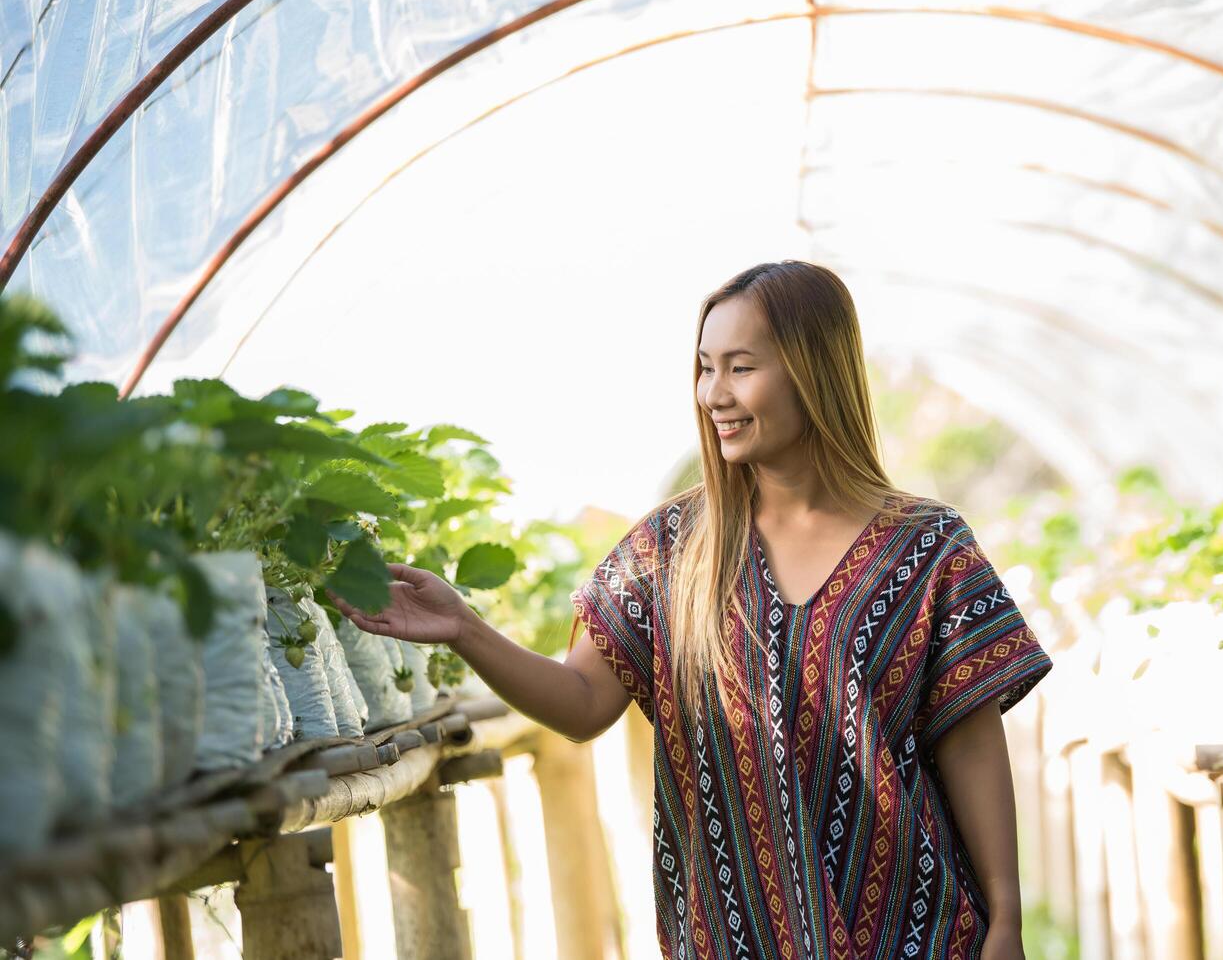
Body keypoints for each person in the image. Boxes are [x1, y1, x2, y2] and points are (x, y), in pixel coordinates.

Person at [330, 260, 1053, 960]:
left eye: (740, 367)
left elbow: (969, 741)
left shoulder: (926, 547)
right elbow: (582, 704)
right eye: (704, 368)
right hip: (729, 937)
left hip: (917, 930)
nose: (713, 394)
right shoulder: (669, 550)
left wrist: (1005, 921)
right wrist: (464, 628)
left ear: (814, 370)